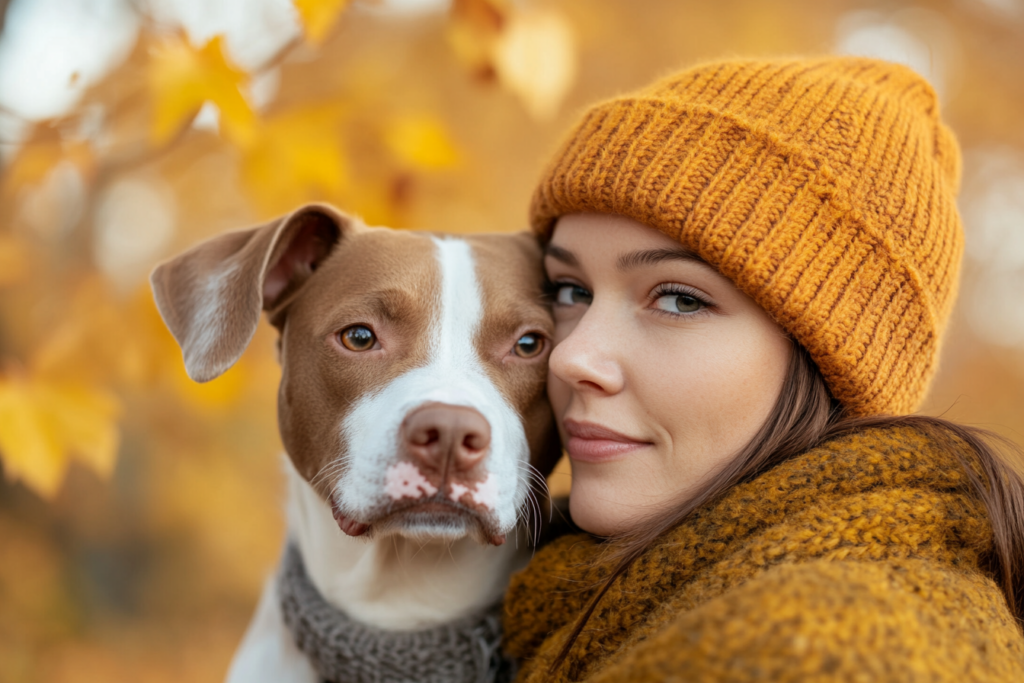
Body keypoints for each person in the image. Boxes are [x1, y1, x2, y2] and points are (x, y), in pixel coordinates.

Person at [503, 56, 1024, 681]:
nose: (572, 356)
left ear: (831, 362)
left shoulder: (825, 652)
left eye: (679, 299)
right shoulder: (527, 588)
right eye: (569, 290)